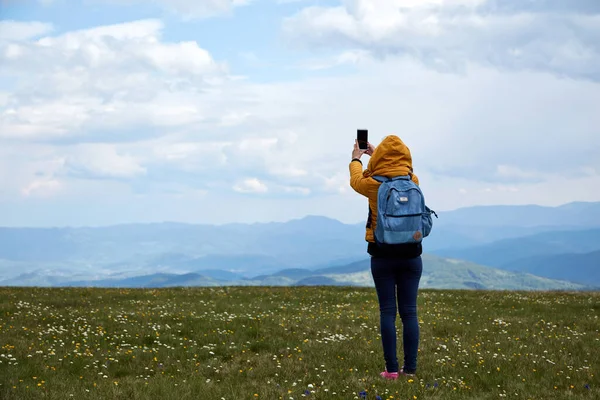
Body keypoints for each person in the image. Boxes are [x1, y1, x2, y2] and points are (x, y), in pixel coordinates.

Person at [349, 135, 423, 380]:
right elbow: (399, 171)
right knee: (410, 313)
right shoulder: (413, 180)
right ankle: (410, 370)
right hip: (412, 254)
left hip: (382, 254)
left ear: (380, 158)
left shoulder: (374, 185)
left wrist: (357, 158)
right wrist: (377, 155)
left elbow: (356, 180)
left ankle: (391, 370)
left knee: (388, 312)